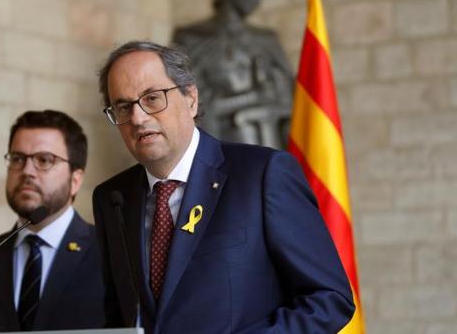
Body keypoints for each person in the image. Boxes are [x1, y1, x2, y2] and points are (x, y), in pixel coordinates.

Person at [92, 41, 354, 334]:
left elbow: (329, 300)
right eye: (123, 106)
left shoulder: (263, 174)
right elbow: (119, 316)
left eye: (152, 98)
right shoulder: (112, 198)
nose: (138, 118)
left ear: (190, 99)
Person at [0, 110, 105, 332]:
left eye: (44, 160)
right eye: (18, 159)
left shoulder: (113, 254)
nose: (27, 171)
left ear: (76, 180)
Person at [172, 0, 294, 149]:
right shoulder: (193, 38)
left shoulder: (266, 40)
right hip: (222, 140)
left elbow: (290, 99)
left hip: (268, 140)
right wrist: (251, 99)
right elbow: (188, 101)